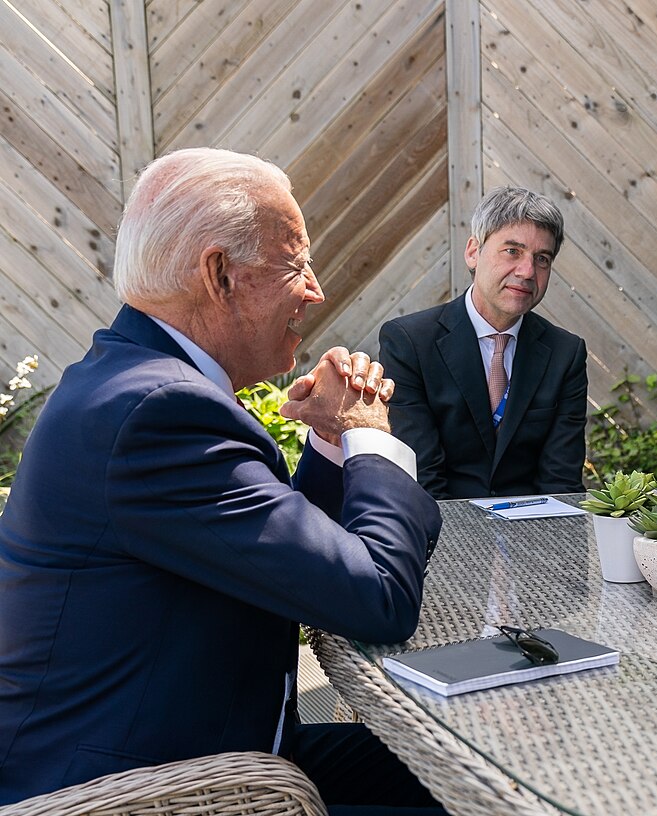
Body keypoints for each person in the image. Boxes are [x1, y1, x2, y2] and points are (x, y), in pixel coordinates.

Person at [0, 148, 446, 813]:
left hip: (204, 744)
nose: (316, 291)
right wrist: (369, 436)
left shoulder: (133, 380)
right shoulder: (157, 413)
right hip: (139, 790)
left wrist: (327, 440)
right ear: (219, 275)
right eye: (295, 264)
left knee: (437, 770)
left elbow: (274, 555)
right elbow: (378, 600)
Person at [379, 186, 588, 499]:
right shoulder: (410, 343)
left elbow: (560, 484)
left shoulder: (565, 354)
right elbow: (422, 478)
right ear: (473, 252)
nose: (527, 271)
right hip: (440, 532)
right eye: (512, 251)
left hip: (533, 535)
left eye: (542, 258)